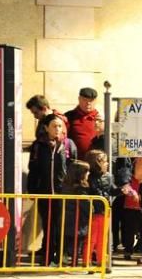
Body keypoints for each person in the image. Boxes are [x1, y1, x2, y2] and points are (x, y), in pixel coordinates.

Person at [26, 113, 77, 265]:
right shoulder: (38, 145)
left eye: (60, 126)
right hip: (45, 191)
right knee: (48, 224)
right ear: (46, 128)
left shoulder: (69, 144)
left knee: (62, 225)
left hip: (64, 193)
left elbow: (74, 168)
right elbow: (33, 169)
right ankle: (47, 256)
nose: (57, 129)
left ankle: (62, 255)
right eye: (54, 126)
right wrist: (32, 190)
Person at [61, 161, 94, 266]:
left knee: (66, 243)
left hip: (66, 219)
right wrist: (92, 210)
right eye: (87, 172)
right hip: (78, 220)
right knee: (76, 245)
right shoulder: (81, 189)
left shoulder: (66, 186)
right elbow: (86, 205)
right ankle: (74, 263)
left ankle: (63, 261)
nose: (89, 174)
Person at [65, 87, 100, 158]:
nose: (88, 103)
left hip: (95, 162)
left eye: (91, 100)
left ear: (96, 101)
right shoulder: (69, 117)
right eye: (85, 100)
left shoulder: (100, 119)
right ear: (79, 99)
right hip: (76, 162)